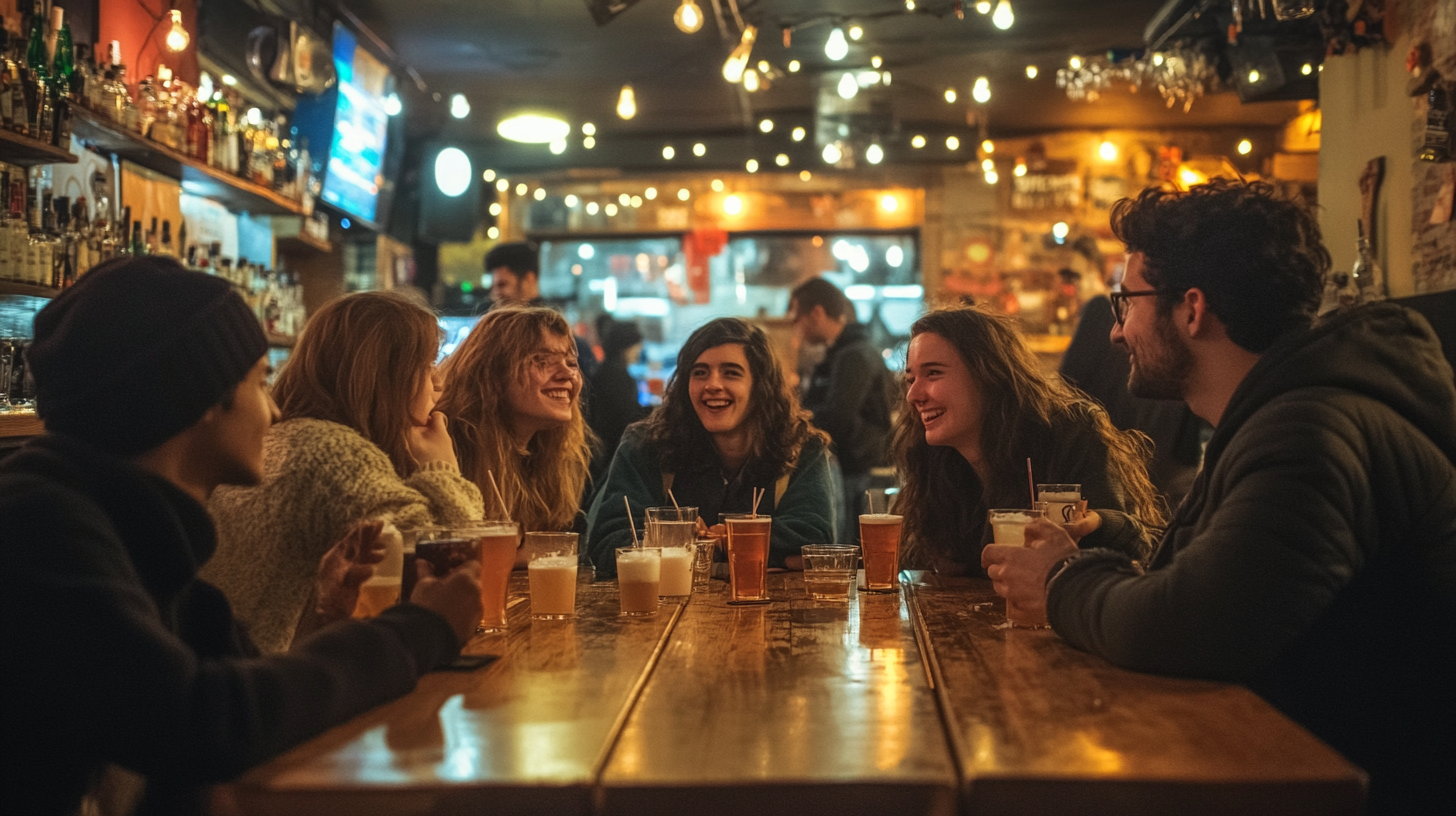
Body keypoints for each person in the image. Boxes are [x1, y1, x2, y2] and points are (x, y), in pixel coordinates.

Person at [982, 179, 1456, 815]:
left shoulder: (1311, 432)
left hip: (1349, 790)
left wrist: (1061, 581)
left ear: (1193, 309)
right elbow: (1228, 577)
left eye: (1125, 304)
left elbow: (1189, 626)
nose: (1116, 333)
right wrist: (1115, 539)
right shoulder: (1279, 415)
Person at [0, 258, 482, 816]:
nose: (276, 410)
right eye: (259, 381)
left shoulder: (139, 532)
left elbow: (243, 687)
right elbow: (199, 720)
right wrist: (415, 632)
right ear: (205, 400)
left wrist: (323, 619)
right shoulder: (39, 526)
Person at [205, 292, 485, 653]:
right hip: (259, 690)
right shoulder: (330, 452)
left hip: (249, 672)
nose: (439, 383)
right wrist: (443, 470)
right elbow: (450, 560)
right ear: (387, 375)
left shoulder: (290, 439)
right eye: (427, 365)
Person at [896, 304, 1165, 577]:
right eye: (910, 379)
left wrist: (1100, 523)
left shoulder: (1067, 434)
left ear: (987, 373)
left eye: (933, 373)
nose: (914, 395)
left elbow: (1130, 550)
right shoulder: (935, 464)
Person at [585, 318, 839, 577]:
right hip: (664, 612)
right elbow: (607, 545)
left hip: (772, 612)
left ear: (761, 386)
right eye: (700, 372)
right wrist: (676, 535)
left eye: (731, 373)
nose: (713, 384)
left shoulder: (800, 447)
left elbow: (816, 544)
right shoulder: (646, 445)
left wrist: (727, 538)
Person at [436, 306, 592, 546]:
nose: (567, 375)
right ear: (492, 374)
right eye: (542, 361)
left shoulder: (551, 458)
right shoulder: (447, 449)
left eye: (571, 362)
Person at [1059, 292, 1207, 508]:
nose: (1117, 334)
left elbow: (1067, 382)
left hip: (1112, 456)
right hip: (1165, 458)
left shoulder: (1099, 312)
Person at [789, 277, 895, 541]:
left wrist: (795, 420)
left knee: (849, 551)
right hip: (855, 467)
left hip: (858, 471)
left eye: (797, 317)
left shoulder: (853, 355)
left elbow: (838, 417)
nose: (795, 326)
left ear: (817, 313)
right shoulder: (845, 352)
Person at [486, 240, 598, 382]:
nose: (495, 294)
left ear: (529, 279)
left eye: (502, 285)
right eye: (494, 287)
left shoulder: (557, 334)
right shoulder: (496, 335)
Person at [588, 317, 649, 483]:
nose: (639, 350)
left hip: (604, 454)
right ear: (625, 347)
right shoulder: (616, 376)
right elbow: (625, 417)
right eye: (636, 345)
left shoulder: (607, 371)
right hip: (611, 455)